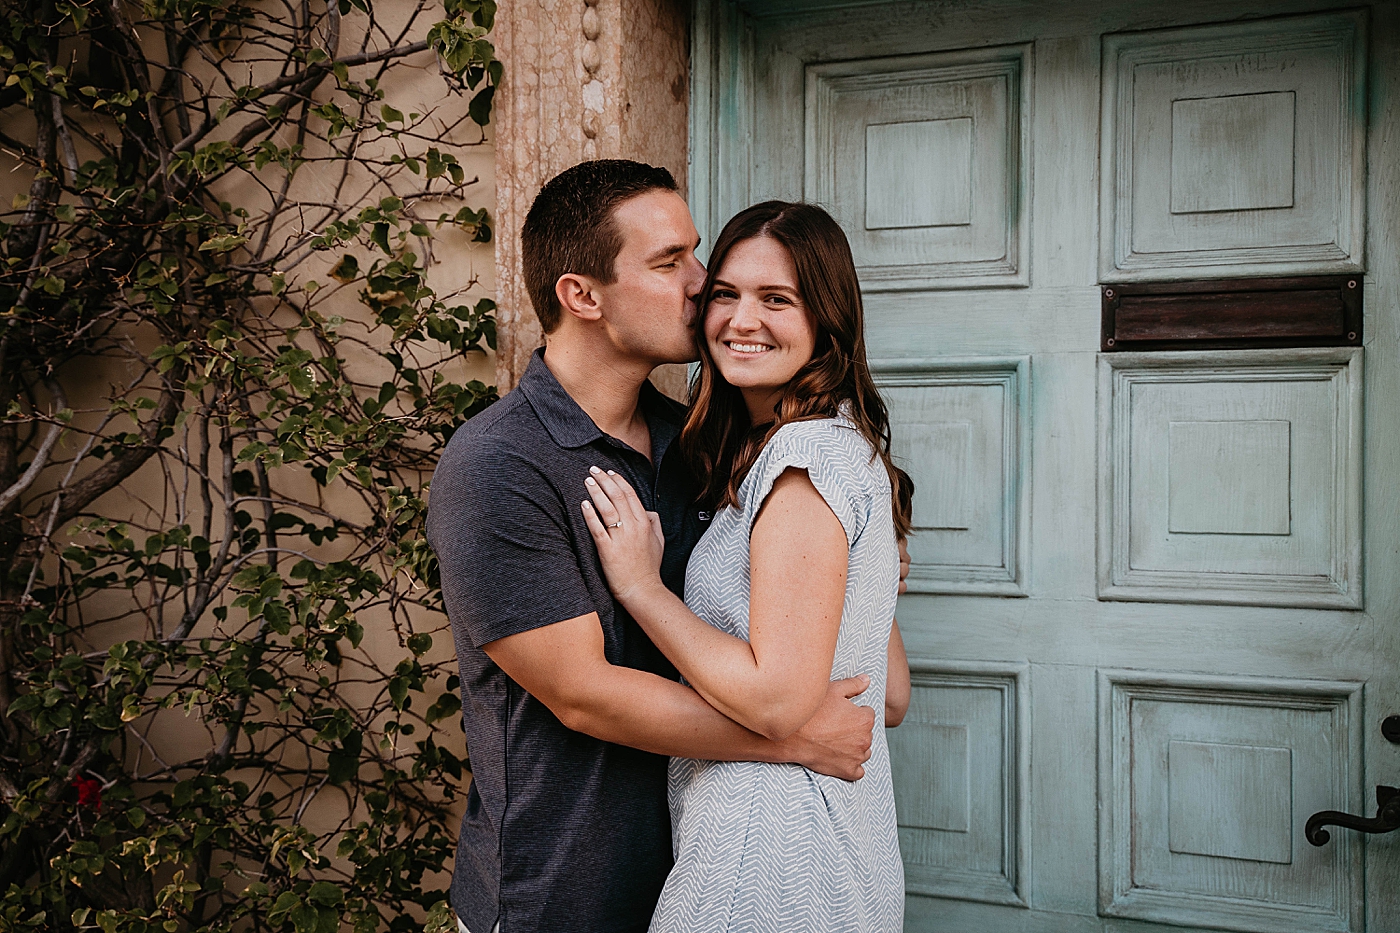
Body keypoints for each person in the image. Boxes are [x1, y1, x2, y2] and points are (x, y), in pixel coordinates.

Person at [426, 162, 889, 933]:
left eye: (696, 253)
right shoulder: (498, 466)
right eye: (670, 261)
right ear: (583, 295)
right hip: (564, 894)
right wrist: (791, 736)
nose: (703, 282)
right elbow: (583, 692)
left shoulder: (703, 442)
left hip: (710, 868)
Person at [580, 201, 909, 933]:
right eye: (725, 293)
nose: (740, 319)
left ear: (828, 319)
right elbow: (889, 693)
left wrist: (640, 585)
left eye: (777, 299)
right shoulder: (839, 446)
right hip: (842, 852)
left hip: (762, 859)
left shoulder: (799, 462)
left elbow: (775, 704)